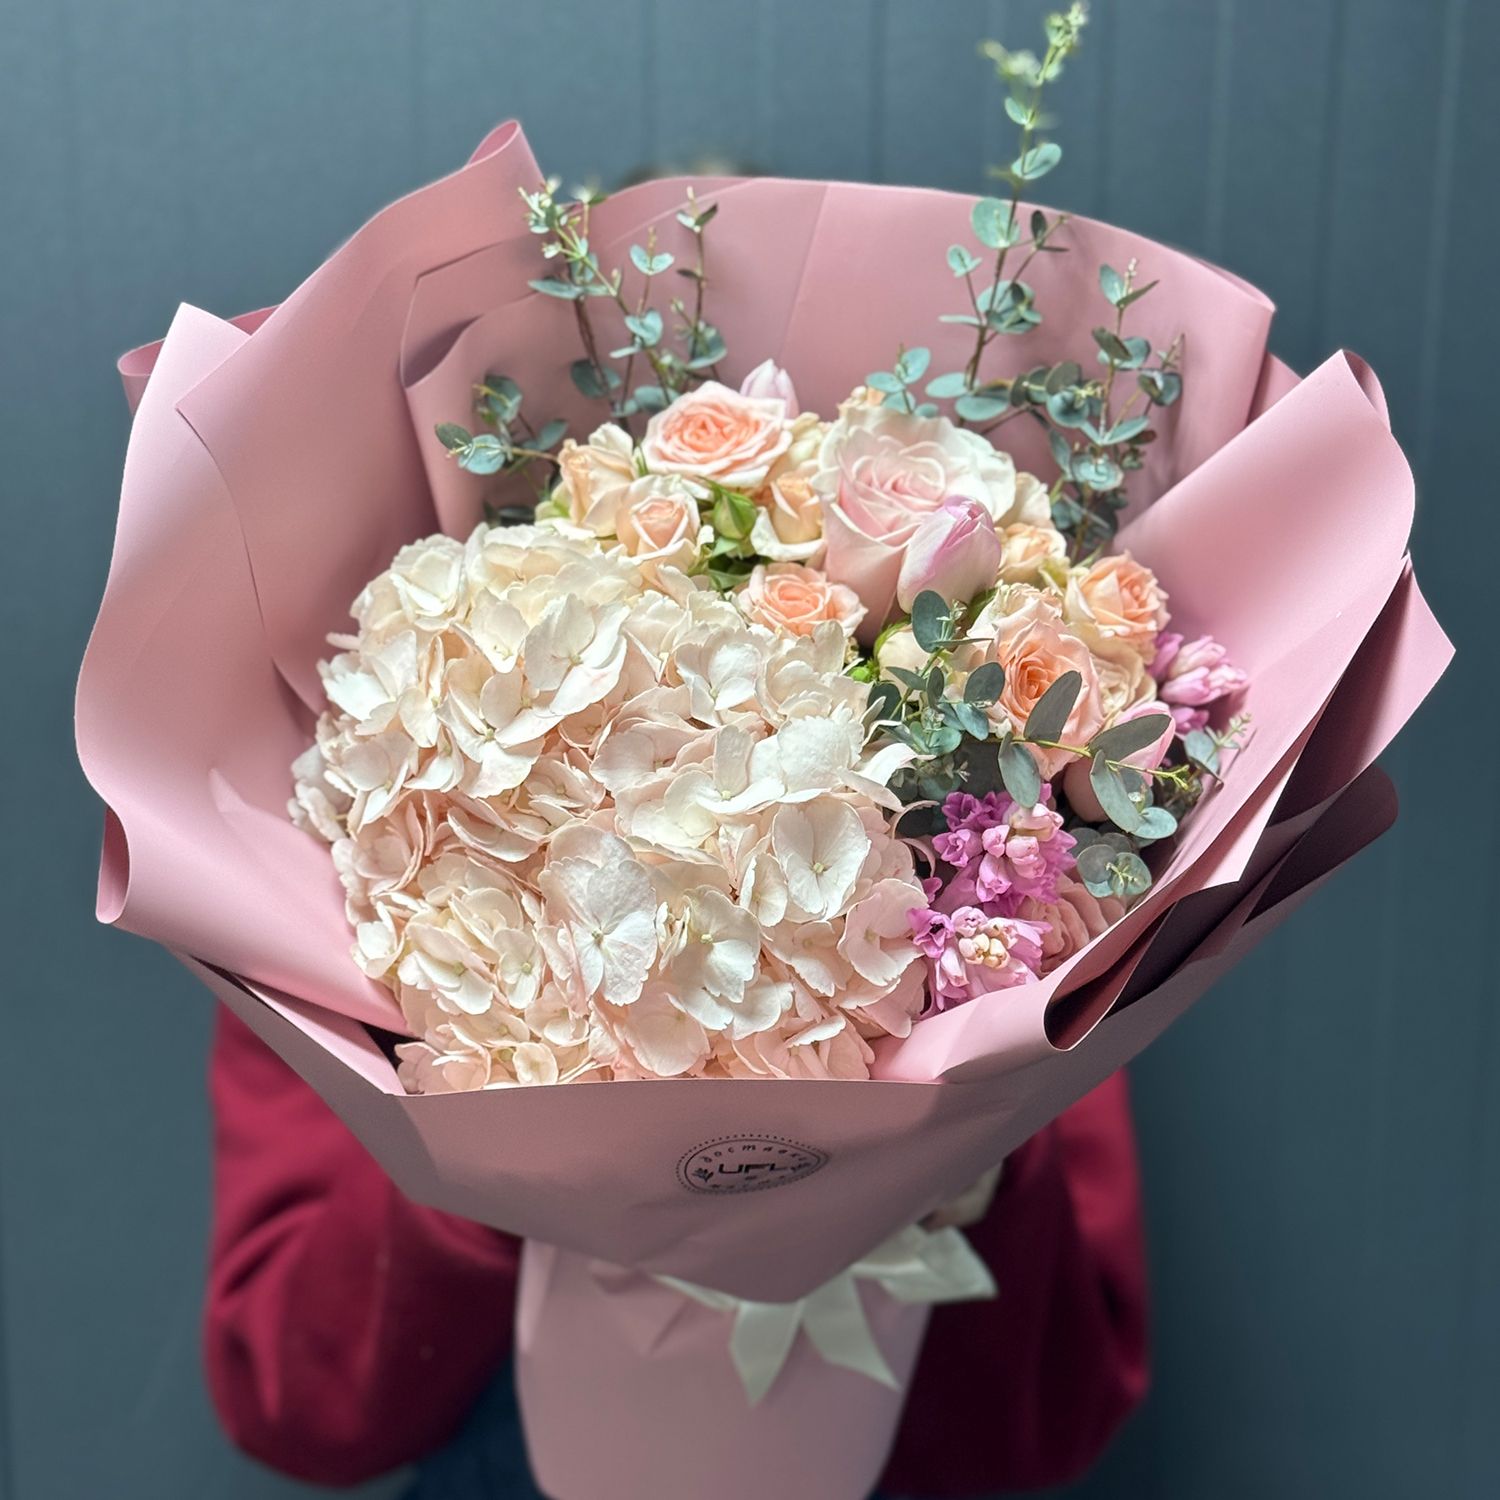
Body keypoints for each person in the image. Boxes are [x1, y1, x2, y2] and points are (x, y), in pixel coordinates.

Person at [204, 1006, 1148, 1497]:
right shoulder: (352, 881)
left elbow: (1050, 1421)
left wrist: (977, 1160)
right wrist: (483, 1144)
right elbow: (298, 1407)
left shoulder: (1014, 897)